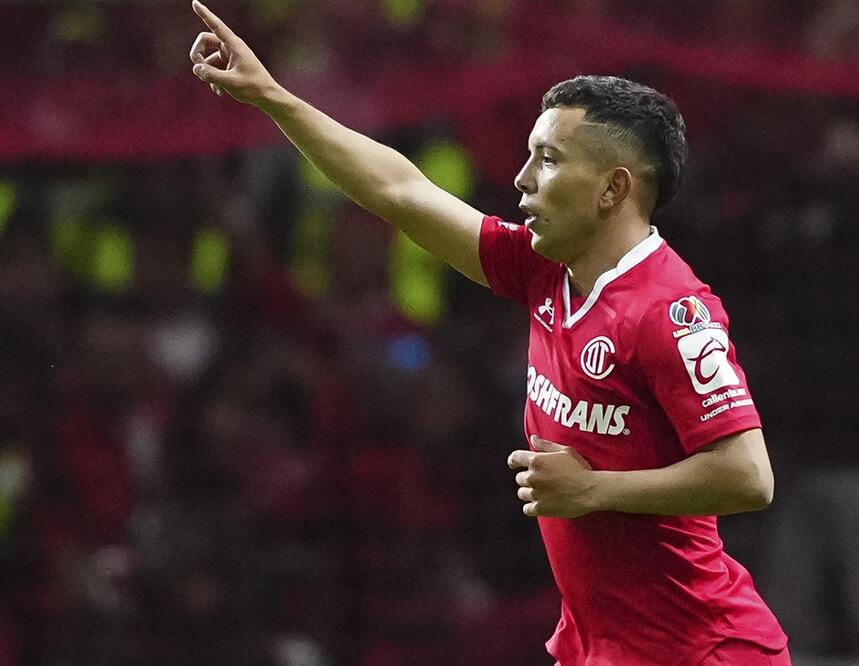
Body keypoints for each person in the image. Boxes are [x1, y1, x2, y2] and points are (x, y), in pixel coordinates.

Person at [188, 2, 789, 663]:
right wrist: (273, 98)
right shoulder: (541, 271)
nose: (522, 179)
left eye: (549, 160)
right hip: (604, 645)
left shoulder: (670, 311)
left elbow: (747, 475)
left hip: (703, 652)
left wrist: (595, 491)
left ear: (614, 189)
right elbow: (400, 191)